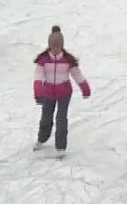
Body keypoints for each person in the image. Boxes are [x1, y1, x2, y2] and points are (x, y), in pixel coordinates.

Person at [32, 25, 92, 156]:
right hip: (48, 93)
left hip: (64, 93)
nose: (55, 49)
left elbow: (77, 75)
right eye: (53, 47)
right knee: (46, 118)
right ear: (49, 46)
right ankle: (41, 139)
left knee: (61, 119)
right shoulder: (43, 60)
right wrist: (38, 91)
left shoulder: (67, 60)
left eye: (57, 47)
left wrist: (85, 88)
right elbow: (38, 76)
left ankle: (60, 146)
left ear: (61, 46)